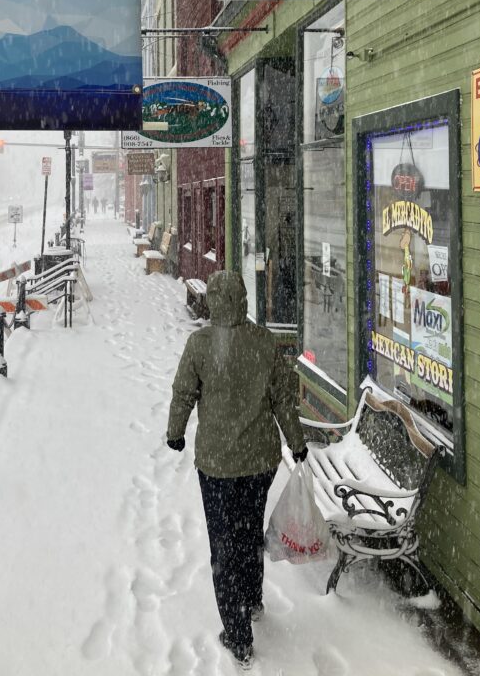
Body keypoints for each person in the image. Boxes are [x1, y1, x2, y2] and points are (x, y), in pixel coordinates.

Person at [166, 271, 307, 669]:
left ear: (212, 301)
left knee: (224, 544)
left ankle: (238, 635)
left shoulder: (200, 344)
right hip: (260, 462)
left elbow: (183, 393)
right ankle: (253, 598)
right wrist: (295, 442)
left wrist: (175, 433)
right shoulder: (264, 342)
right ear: (243, 299)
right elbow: (283, 397)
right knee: (248, 531)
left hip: (217, 466)